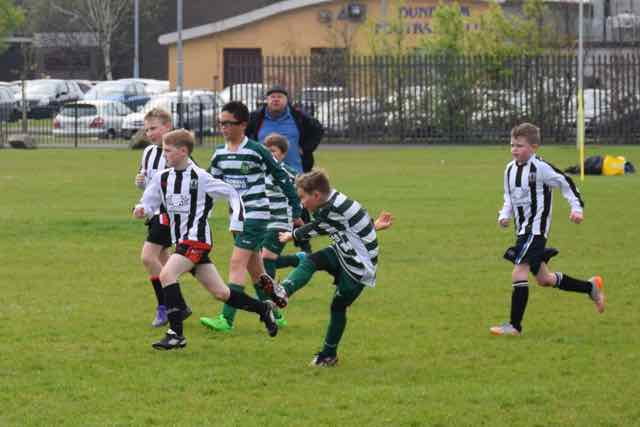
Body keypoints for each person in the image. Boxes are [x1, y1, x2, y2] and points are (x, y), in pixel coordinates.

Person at [133, 129, 278, 350]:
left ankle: (176, 334)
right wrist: (142, 209)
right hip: (181, 241)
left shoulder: (200, 177)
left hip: (197, 240)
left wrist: (237, 222)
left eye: (168, 151)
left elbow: (232, 193)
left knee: (167, 274)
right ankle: (263, 309)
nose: (164, 155)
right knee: (221, 293)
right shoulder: (162, 178)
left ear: (183, 151)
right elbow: (149, 202)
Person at [490, 122, 605, 337]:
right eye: (512, 145)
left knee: (519, 271)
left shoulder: (541, 168)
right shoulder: (509, 169)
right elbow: (509, 197)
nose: (515, 149)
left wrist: (576, 208)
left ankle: (514, 326)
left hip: (536, 231)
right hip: (522, 231)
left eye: (520, 146)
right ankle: (591, 288)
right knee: (545, 279)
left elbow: (565, 182)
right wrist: (504, 215)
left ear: (534, 147)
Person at [199, 101, 302, 333]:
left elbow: (281, 176)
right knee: (257, 272)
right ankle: (276, 315)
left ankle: (226, 319)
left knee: (237, 263)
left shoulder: (257, 150)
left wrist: (296, 208)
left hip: (256, 215)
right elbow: (210, 187)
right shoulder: (220, 154)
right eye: (221, 123)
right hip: (236, 218)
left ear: (243, 125)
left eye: (229, 123)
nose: (223, 127)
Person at [261, 169, 381, 367]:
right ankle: (282, 292)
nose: (302, 203)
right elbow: (353, 222)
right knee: (312, 260)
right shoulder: (331, 201)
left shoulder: (333, 207)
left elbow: (318, 227)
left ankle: (328, 355)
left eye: (303, 197)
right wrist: (373, 226)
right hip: (344, 250)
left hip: (359, 267)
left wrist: (293, 235)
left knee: (338, 307)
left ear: (316, 195)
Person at [135, 108, 189, 327]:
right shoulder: (148, 152)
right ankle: (179, 305)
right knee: (164, 262)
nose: (149, 133)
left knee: (148, 258)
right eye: (147, 129)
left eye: (154, 128)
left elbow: (191, 181)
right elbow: (148, 180)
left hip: (168, 215)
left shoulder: (178, 153)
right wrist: (140, 181)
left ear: (168, 127)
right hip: (153, 213)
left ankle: (165, 306)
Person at [245, 84, 324, 174]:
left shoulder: (298, 116)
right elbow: (243, 134)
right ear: (267, 100)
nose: (276, 99)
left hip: (295, 172)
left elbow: (318, 130)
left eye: (280, 97)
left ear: (286, 100)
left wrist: (306, 148)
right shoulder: (256, 117)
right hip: (264, 173)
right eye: (272, 97)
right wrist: (253, 149)